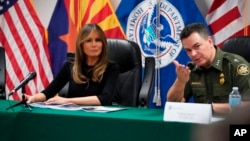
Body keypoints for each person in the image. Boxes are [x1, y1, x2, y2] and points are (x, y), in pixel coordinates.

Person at [26, 23, 120, 106]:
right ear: (81, 44)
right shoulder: (70, 65)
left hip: (100, 118)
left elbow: (104, 99)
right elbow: (48, 93)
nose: (94, 44)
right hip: (73, 116)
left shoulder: (111, 68)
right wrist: (33, 98)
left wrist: (67, 101)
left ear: (103, 44)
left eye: (98, 40)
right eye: (89, 41)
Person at [166, 23, 250, 114]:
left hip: (228, 124)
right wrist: (180, 81)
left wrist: (210, 108)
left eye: (197, 46)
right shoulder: (192, 69)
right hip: (201, 126)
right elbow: (174, 105)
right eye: (188, 50)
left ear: (210, 41)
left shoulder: (234, 66)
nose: (193, 54)